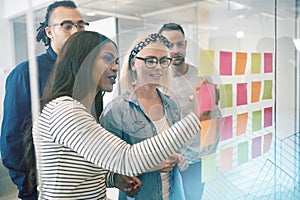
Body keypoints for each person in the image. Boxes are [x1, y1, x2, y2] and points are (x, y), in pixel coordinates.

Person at [29, 30, 205, 199]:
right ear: (82, 61)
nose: (114, 68)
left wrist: (114, 179)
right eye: (106, 59)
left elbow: (87, 171)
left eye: (115, 62)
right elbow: (126, 158)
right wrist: (196, 117)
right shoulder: (65, 111)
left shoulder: (82, 112)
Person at [99, 33, 210, 200]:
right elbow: (106, 168)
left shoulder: (171, 105)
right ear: (133, 63)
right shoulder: (116, 111)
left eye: (164, 61)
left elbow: (174, 146)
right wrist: (148, 165)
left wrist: (179, 158)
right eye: (150, 60)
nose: (158, 67)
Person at [0, 1, 87, 199]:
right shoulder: (26, 73)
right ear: (49, 32)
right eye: (67, 26)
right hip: (42, 188)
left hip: (82, 184)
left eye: (81, 25)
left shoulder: (86, 73)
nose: (76, 31)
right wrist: (29, 188)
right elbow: (11, 140)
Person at [158, 23, 222, 199]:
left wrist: (207, 154)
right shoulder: (156, 82)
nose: (175, 50)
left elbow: (213, 118)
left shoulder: (201, 79)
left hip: (195, 162)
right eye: (169, 45)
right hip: (167, 161)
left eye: (179, 44)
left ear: (185, 44)